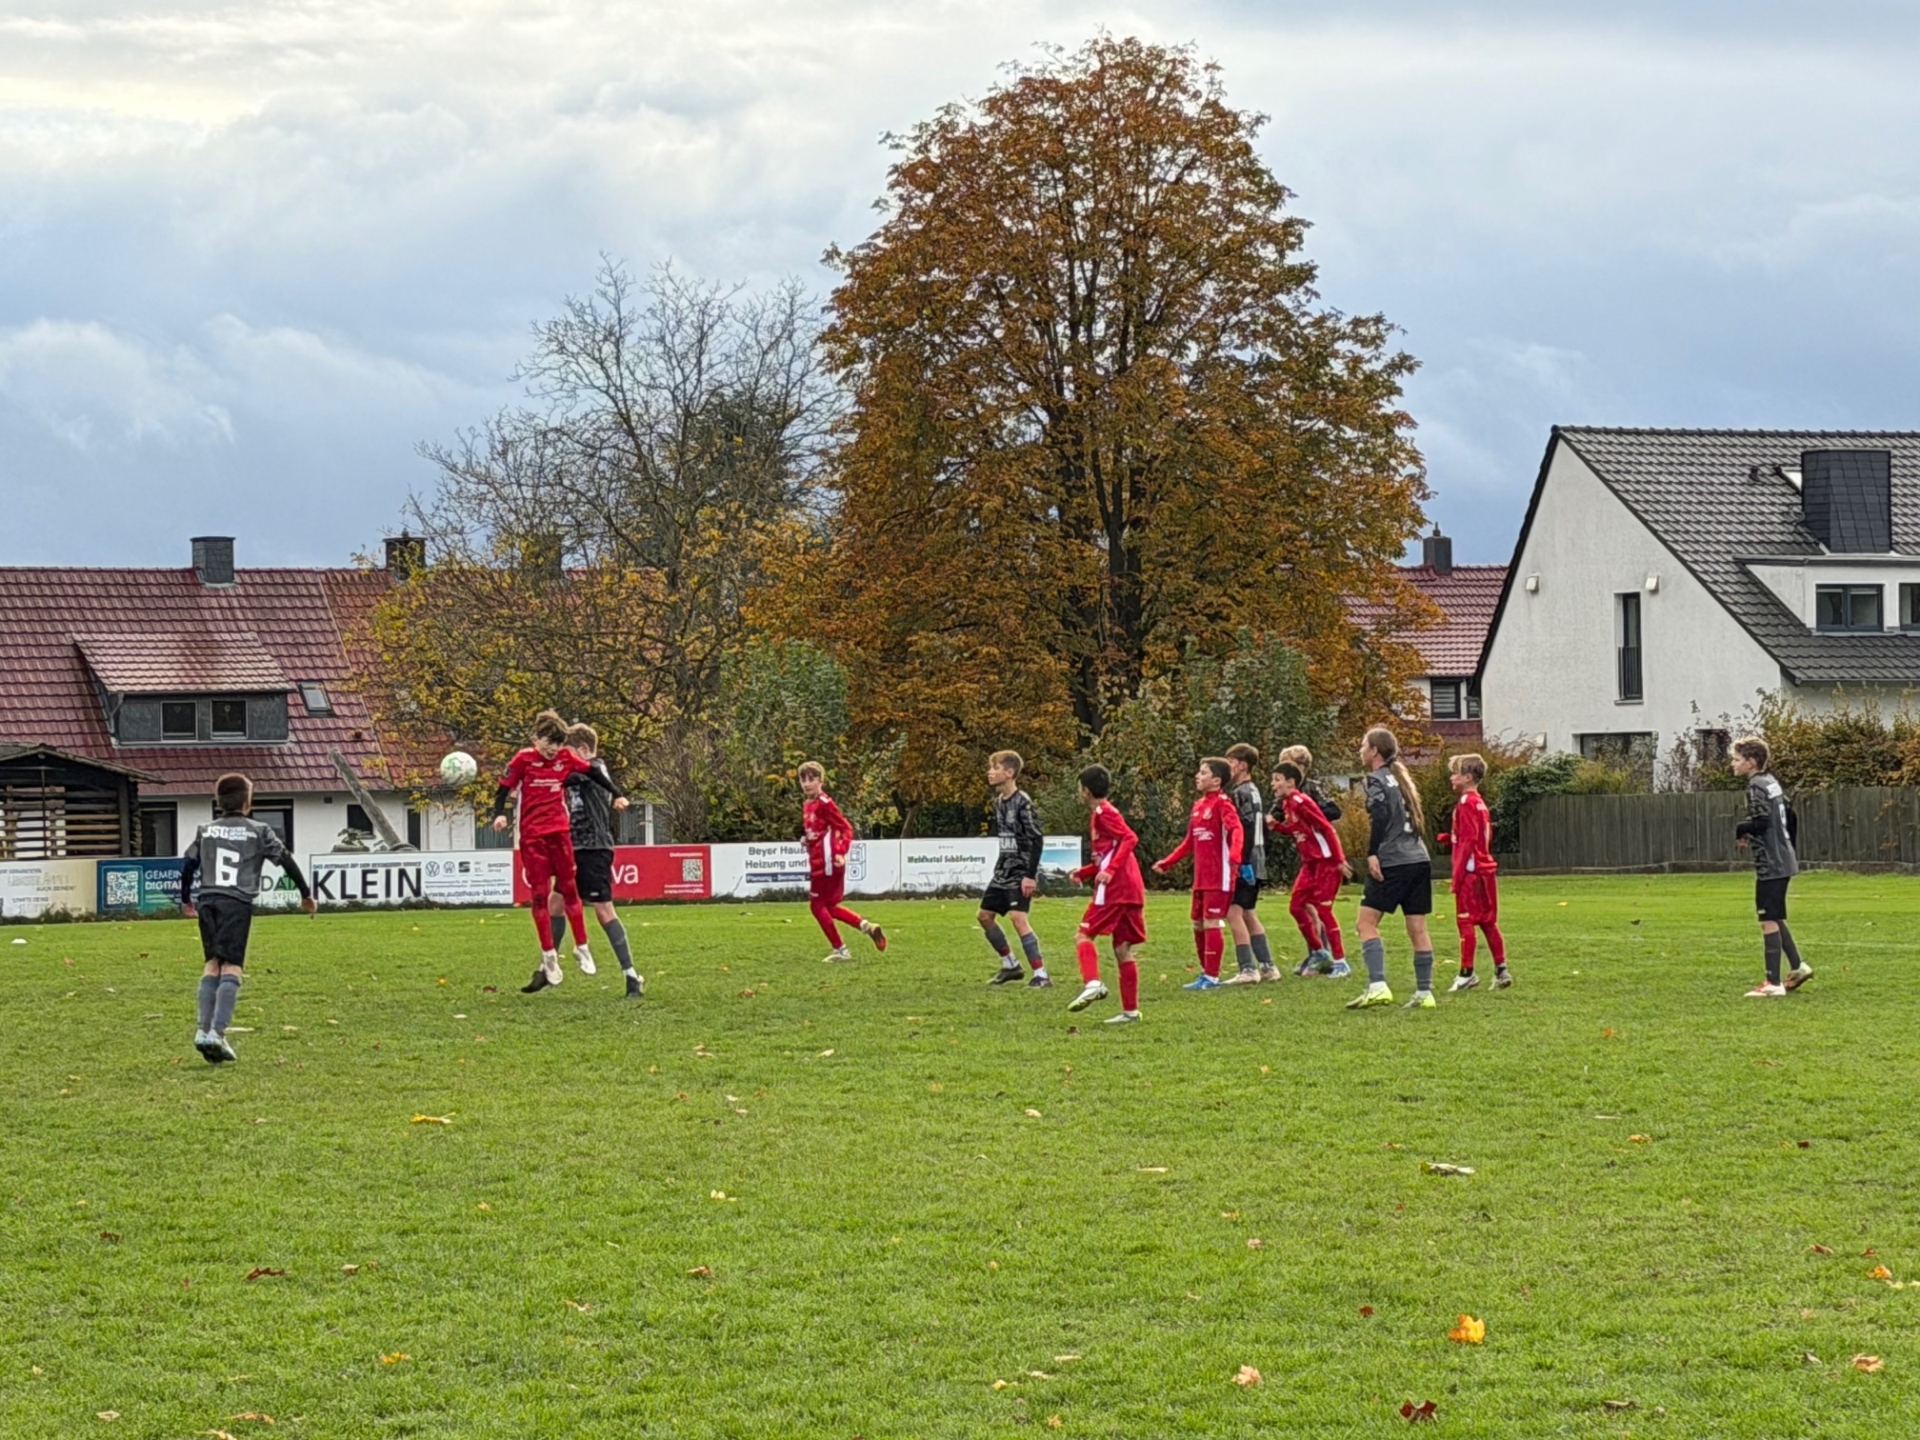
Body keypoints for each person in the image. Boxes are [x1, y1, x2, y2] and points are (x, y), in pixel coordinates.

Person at [179, 772, 316, 1063]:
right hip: (236, 903)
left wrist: (186, 900)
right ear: (247, 802)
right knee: (232, 967)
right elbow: (285, 860)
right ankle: (217, 1033)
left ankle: (203, 1031)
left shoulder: (205, 830)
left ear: (219, 801)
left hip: (208, 901)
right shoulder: (259, 831)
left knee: (212, 963)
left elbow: (188, 863)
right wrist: (305, 893)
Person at [491, 708, 617, 993]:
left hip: (560, 833)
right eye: (550, 743)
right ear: (536, 739)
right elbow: (503, 788)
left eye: (559, 744)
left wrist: (617, 793)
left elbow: (593, 772)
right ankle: (549, 957)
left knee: (569, 889)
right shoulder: (522, 760)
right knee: (541, 895)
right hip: (533, 837)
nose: (554, 750)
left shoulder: (564, 758)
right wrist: (499, 814)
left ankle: (582, 947)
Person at [1346, 727, 1437, 1011]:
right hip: (1418, 859)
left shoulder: (1375, 779)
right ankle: (1424, 992)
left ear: (1375, 751)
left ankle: (1377, 986)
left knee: (1365, 923)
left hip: (1394, 860)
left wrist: (1373, 852)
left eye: (1364, 745)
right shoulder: (1401, 778)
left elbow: (1381, 814)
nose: (1361, 749)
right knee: (1417, 928)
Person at [549, 723, 642, 998]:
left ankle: (631, 975)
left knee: (603, 910)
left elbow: (565, 778)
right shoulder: (578, 771)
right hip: (574, 847)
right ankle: (549, 967)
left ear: (583, 749)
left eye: (568, 752)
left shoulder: (594, 768)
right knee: (555, 903)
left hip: (594, 847)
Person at [1152, 757, 1244, 991]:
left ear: (1216, 780)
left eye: (1203, 773)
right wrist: (1169, 862)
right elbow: (1189, 842)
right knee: (1197, 923)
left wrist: (1235, 855)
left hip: (1219, 875)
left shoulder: (1223, 804)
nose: (1197, 776)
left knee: (1212, 921)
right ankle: (1206, 972)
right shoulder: (1198, 806)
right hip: (1201, 877)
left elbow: (1237, 829)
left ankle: (1212, 977)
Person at [1065, 764, 1147, 1024]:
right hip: (1130, 887)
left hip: (1117, 889)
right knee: (1122, 947)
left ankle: (1093, 983)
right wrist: (1084, 872)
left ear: (1086, 791)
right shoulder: (1102, 813)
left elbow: (1130, 838)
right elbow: (1107, 854)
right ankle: (1130, 1012)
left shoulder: (1104, 812)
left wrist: (1110, 871)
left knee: (1083, 935)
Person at [1732, 736, 1811, 997]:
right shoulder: (1770, 781)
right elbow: (1790, 814)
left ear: (1751, 762)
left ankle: (1773, 983)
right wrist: (1787, 846)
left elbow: (1762, 820)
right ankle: (1798, 967)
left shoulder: (1756, 785)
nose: (1733, 764)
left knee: (1767, 918)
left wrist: (1741, 829)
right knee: (1775, 915)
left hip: (1771, 862)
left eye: (1737, 759)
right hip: (1783, 857)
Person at [1271, 761, 1352, 979]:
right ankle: (1319, 952)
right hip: (1310, 864)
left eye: (1277, 780)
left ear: (1290, 782)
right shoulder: (1288, 804)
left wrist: (1339, 859)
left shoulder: (1301, 801)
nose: (1273, 784)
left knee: (1324, 911)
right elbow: (1297, 830)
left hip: (1325, 862)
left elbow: (1326, 827)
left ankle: (1341, 962)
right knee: (1295, 906)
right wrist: (1277, 827)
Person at [799, 761, 887, 962]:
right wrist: (808, 840)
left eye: (812, 779)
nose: (807, 783)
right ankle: (867, 927)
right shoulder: (808, 804)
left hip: (828, 862)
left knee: (816, 906)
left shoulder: (825, 803)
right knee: (829, 906)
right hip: (819, 860)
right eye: (803, 779)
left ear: (821, 781)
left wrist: (840, 851)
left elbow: (846, 828)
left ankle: (840, 949)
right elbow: (820, 832)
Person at [1438, 754, 1509, 992]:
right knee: (1488, 921)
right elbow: (1477, 835)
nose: (1452, 777)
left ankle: (1467, 972)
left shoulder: (1466, 802)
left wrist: (1457, 876)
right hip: (1485, 868)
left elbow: (1468, 840)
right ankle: (1501, 968)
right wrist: (1450, 838)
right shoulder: (1479, 802)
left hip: (1472, 872)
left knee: (1465, 920)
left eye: (1455, 773)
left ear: (1467, 777)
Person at [980, 751, 1049, 988]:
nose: (990, 772)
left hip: (1020, 872)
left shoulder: (1023, 803)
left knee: (1018, 918)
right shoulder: (998, 802)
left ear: (1009, 773)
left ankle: (1041, 975)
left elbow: (1037, 839)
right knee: (984, 916)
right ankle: (1010, 965)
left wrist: (1030, 875)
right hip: (1003, 871)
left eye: (995, 768)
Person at [1222, 743, 1277, 984]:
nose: (1228, 767)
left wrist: (1242, 861)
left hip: (1245, 861)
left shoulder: (1239, 793)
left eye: (1231, 762)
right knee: (1248, 912)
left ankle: (1247, 968)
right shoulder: (1254, 790)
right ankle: (1268, 966)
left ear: (1242, 765)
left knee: (1233, 912)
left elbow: (1243, 827)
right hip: (1258, 859)